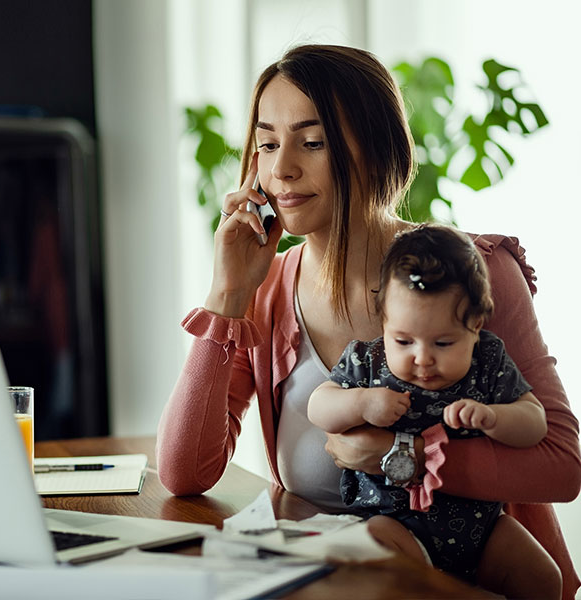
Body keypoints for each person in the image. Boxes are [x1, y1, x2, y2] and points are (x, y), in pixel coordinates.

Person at [154, 44, 580, 599]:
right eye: (266, 143)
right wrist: (227, 292)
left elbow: (561, 467)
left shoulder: (475, 273)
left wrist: (398, 457)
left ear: (377, 151)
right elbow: (184, 473)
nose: (281, 168)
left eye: (312, 143)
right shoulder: (267, 291)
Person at [308, 224, 557, 596]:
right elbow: (318, 407)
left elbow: (535, 423)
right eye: (404, 340)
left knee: (544, 577)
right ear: (384, 322)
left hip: (483, 529)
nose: (422, 358)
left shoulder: (487, 361)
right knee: (376, 551)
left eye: (443, 342)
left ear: (476, 327)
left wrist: (496, 418)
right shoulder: (369, 363)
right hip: (393, 523)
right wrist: (361, 402)